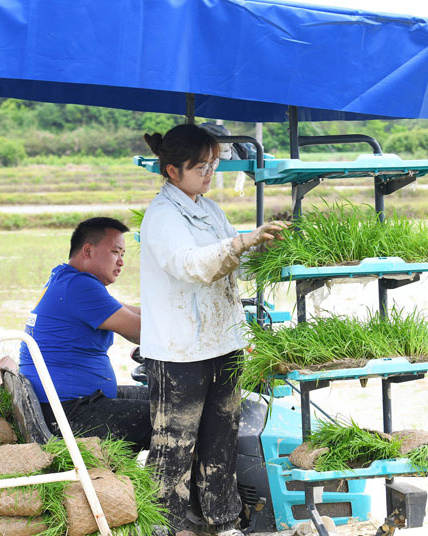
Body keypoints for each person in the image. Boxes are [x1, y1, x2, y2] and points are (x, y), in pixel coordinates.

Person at [140, 124, 287, 536]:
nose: (209, 173)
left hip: (222, 340)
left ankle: (222, 521)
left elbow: (229, 260)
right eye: (200, 166)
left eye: (213, 164)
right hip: (179, 350)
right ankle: (161, 526)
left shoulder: (207, 208)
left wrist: (260, 244)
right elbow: (192, 264)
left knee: (222, 434)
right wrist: (241, 242)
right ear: (172, 170)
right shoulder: (163, 216)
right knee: (175, 444)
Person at [17, 217, 150, 451]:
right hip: (69, 414)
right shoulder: (80, 287)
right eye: (115, 252)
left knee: (163, 402)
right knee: (175, 419)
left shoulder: (65, 279)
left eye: (124, 254)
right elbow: (140, 331)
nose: (121, 262)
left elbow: (132, 311)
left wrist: (178, 315)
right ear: (88, 250)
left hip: (68, 405)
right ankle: (166, 486)